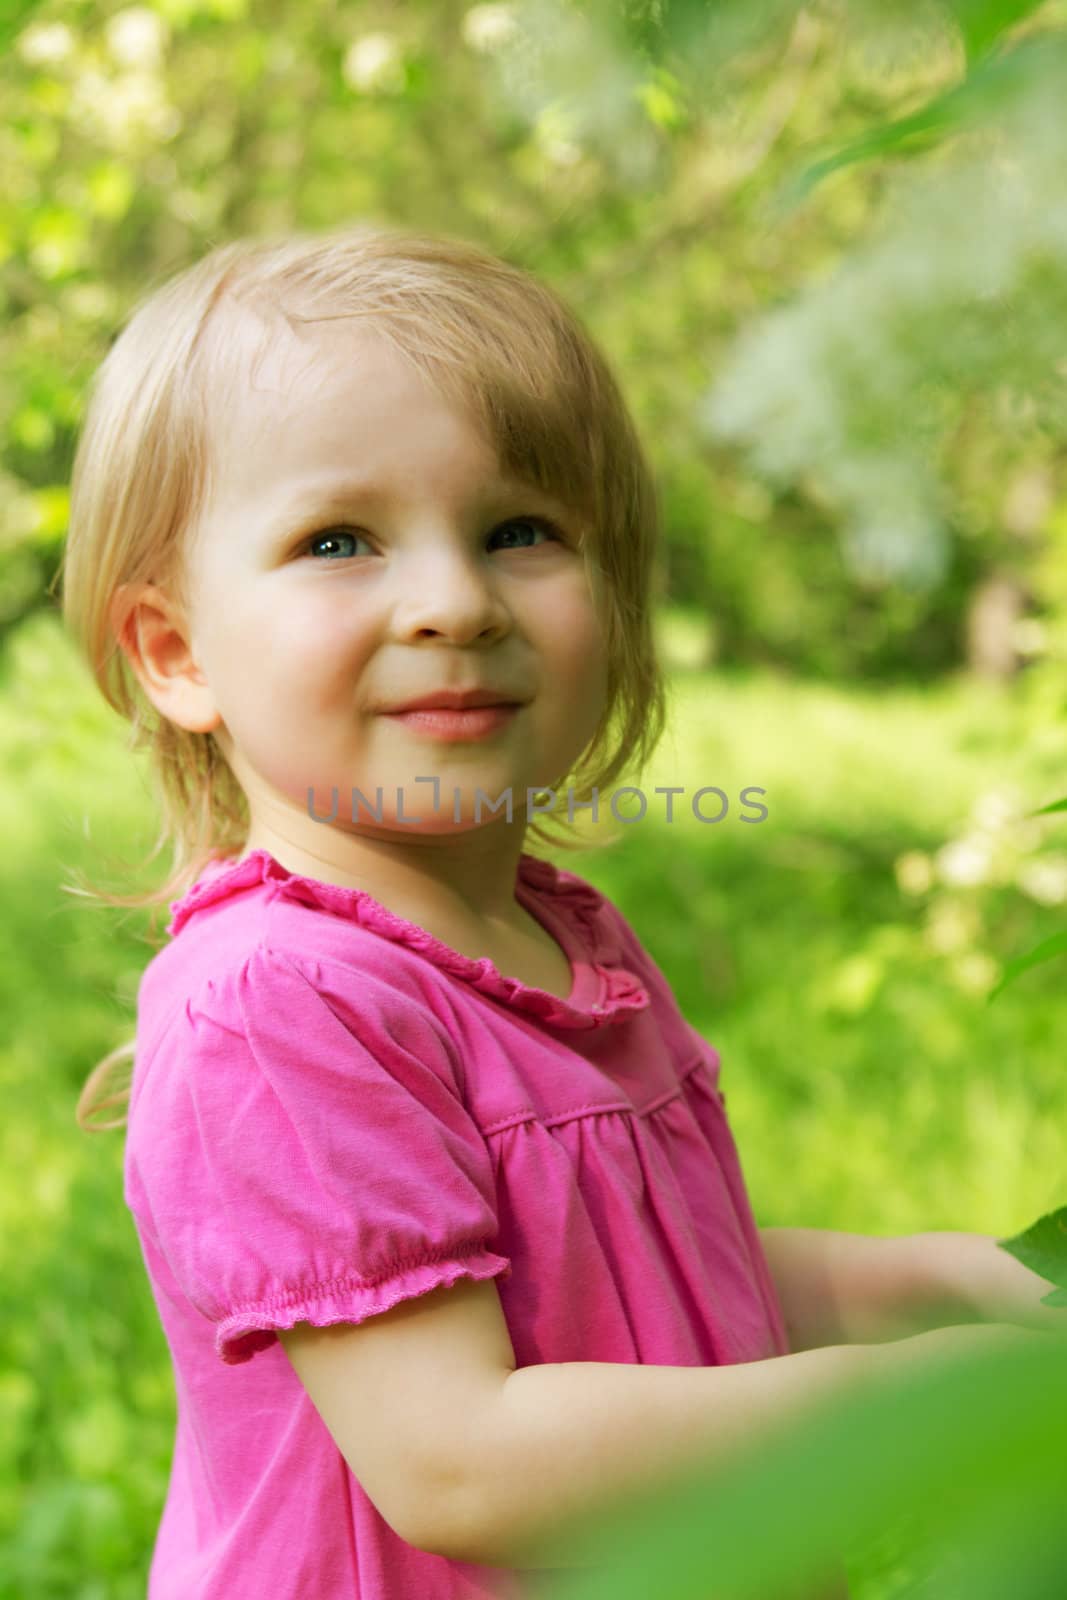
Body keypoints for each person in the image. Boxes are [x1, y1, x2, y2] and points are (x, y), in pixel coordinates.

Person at [59, 223, 1059, 1600]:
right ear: (175, 654)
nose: (455, 601)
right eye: (338, 538)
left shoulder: (562, 939)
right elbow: (460, 1460)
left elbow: (640, 1281)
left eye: (519, 530)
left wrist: (939, 1283)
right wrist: (909, 1403)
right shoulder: (279, 999)